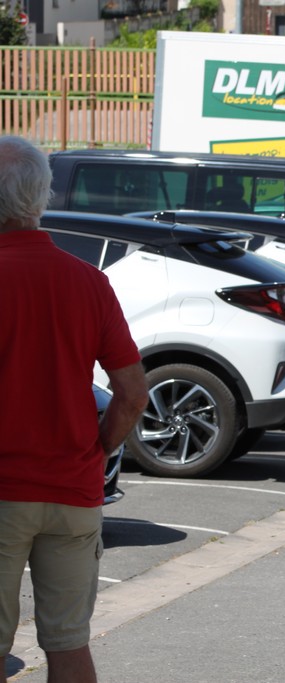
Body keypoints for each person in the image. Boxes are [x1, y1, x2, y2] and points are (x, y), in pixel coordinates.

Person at [0, 136, 148, 683]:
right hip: (73, 490)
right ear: (42, 197)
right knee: (68, 645)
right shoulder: (89, 281)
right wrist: (99, 449)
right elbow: (133, 393)